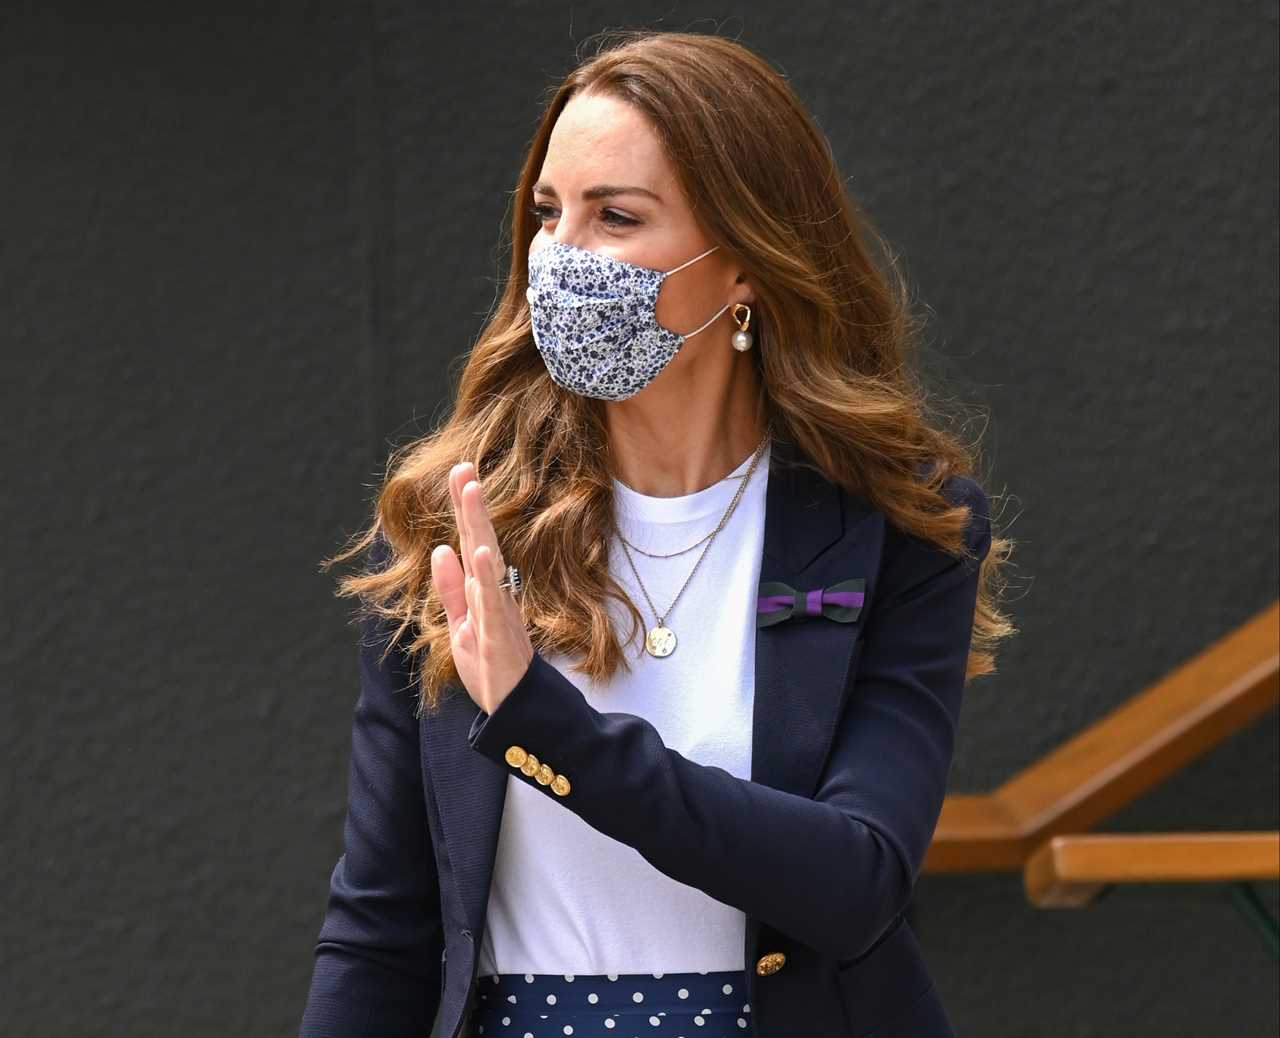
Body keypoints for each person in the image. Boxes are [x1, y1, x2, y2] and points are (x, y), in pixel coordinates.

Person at [299, 28, 1015, 1038]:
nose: (562, 257)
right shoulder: (455, 528)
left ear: (744, 267)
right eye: (547, 214)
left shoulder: (891, 523)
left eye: (615, 217)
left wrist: (547, 728)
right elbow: (381, 927)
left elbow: (854, 880)